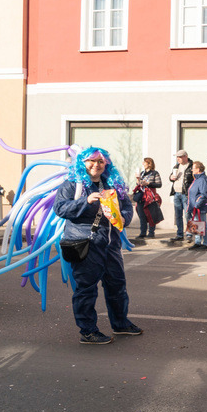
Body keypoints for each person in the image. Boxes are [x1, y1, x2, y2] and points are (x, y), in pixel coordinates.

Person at [53, 147, 141, 345]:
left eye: (101, 161)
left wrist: (122, 219)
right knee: (86, 289)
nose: (96, 165)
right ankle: (88, 331)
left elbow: (127, 207)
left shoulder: (112, 183)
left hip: (111, 243)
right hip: (86, 242)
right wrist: (86, 201)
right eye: (91, 161)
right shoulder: (73, 185)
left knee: (117, 285)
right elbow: (60, 208)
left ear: (106, 164)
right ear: (82, 163)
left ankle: (120, 324)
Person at [168, 150, 194, 243]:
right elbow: (171, 177)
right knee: (178, 215)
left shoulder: (192, 166)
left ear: (185, 156)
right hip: (176, 193)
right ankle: (179, 234)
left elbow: (195, 180)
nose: (178, 159)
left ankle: (190, 234)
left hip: (186, 194)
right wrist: (171, 177)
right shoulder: (176, 166)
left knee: (188, 214)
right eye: (177, 157)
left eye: (180, 157)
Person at [134, 157, 162, 240]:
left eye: (144, 162)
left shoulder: (155, 173)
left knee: (151, 214)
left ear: (149, 163)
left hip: (150, 197)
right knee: (141, 215)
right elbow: (139, 184)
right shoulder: (142, 173)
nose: (143, 163)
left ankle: (151, 232)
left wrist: (148, 183)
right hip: (141, 196)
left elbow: (159, 184)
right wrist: (138, 179)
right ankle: (142, 233)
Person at [187, 160, 207, 251]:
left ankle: (205, 243)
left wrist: (197, 205)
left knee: (203, 224)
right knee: (196, 224)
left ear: (198, 169)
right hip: (194, 207)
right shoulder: (197, 179)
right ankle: (197, 242)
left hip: (199, 207)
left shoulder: (202, 180)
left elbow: (203, 194)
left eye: (193, 168)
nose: (191, 170)